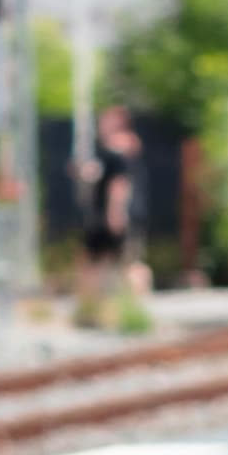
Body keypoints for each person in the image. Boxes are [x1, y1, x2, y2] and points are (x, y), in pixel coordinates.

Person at [80, 103, 152, 306]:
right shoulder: (120, 148)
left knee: (126, 262)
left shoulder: (118, 148)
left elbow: (119, 183)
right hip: (122, 212)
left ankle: (130, 308)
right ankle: (125, 308)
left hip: (116, 213)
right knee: (110, 261)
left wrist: (115, 212)